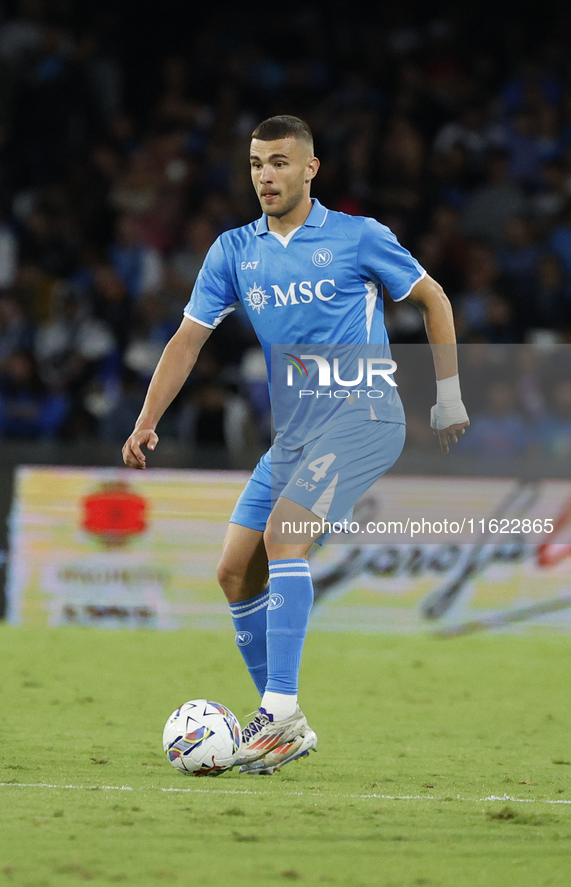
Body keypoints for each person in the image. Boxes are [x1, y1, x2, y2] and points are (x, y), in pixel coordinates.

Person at [122, 115, 469, 775]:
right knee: (232, 569)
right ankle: (282, 723)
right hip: (297, 432)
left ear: (311, 168)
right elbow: (187, 338)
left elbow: (433, 299)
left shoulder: (357, 236)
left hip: (365, 413)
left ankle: (279, 709)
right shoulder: (232, 250)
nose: (265, 175)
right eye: (256, 164)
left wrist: (447, 395)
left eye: (279, 162)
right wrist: (146, 418)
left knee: (285, 536)